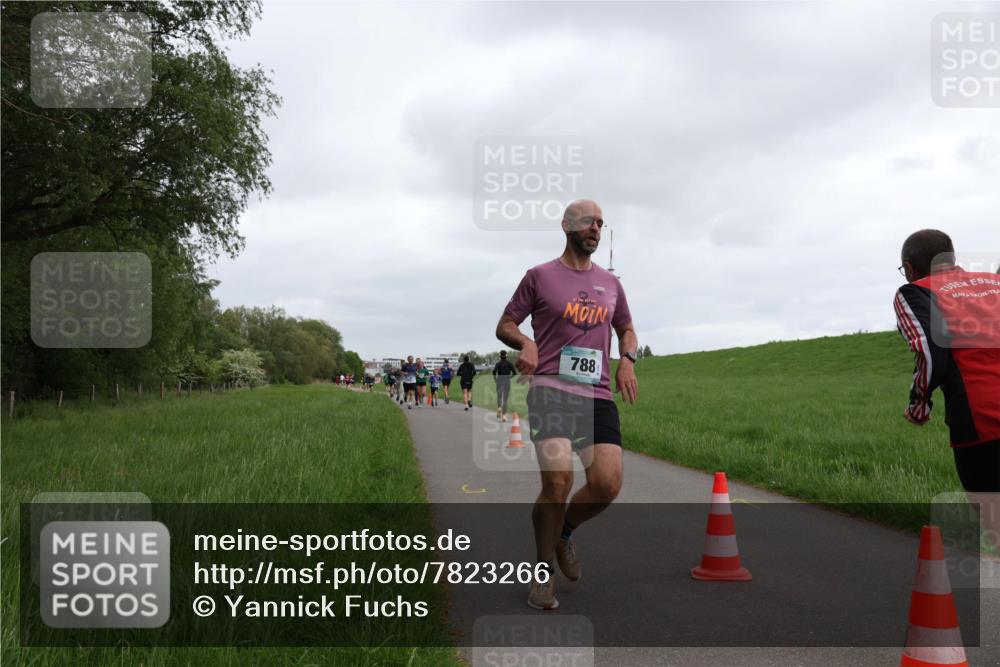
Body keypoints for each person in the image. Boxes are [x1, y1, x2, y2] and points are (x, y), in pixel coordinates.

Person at [496, 198, 638, 610]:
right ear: (566, 225)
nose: (596, 227)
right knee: (557, 483)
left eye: (601, 222)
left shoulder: (610, 284)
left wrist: (627, 360)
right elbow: (505, 323)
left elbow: (626, 328)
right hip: (551, 389)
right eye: (589, 221)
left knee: (607, 483)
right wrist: (526, 342)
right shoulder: (539, 277)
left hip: (596, 394)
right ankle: (542, 574)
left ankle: (564, 533)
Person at [894, 229, 1000, 553]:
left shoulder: (916, 292)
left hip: (983, 422)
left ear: (910, 269)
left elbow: (930, 351)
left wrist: (919, 404)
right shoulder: (993, 283)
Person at [493, 350, 517, 422]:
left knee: (499, 397)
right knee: (505, 399)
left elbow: (494, 371)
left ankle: (499, 408)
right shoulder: (510, 364)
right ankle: (504, 416)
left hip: (499, 381)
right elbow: (515, 373)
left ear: (500, 356)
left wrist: (495, 379)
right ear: (506, 356)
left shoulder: (498, 364)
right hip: (507, 381)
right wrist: (510, 377)